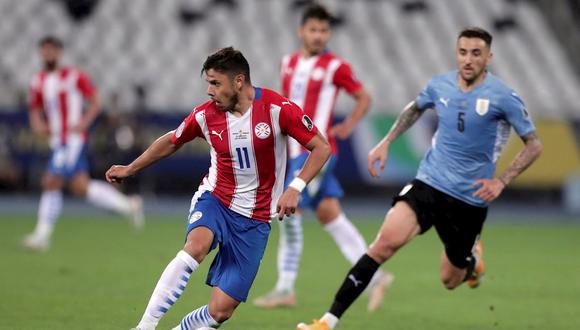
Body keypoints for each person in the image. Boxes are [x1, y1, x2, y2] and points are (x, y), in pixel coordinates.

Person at [297, 27, 543, 330]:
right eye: (463, 52)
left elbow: (534, 145)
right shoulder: (440, 85)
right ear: (457, 53)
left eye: (476, 53)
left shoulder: (503, 97)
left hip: (469, 198)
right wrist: (386, 141)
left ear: (488, 57)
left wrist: (502, 181)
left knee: (450, 280)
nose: (468, 59)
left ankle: (471, 263)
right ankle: (326, 322)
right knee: (382, 245)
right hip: (428, 183)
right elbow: (414, 109)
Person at [106, 47, 331, 330]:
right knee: (196, 247)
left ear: (239, 81)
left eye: (215, 83)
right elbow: (173, 140)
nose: (210, 91)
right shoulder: (206, 115)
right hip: (216, 199)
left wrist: (296, 187)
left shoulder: (277, 109)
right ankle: (145, 326)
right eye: (208, 83)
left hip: (255, 218)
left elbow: (321, 147)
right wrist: (130, 168)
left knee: (220, 311)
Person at [253, 3, 393, 312]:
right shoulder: (287, 62)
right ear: (301, 31)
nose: (319, 36)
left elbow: (364, 97)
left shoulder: (335, 67)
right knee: (331, 215)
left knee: (287, 214)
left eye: (324, 30)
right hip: (292, 151)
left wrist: (348, 126)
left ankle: (286, 289)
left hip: (315, 152)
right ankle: (377, 276)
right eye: (313, 29)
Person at [22, 36, 144, 252]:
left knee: (51, 180)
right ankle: (130, 206)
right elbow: (35, 109)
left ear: (59, 53)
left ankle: (42, 236)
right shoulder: (38, 80)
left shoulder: (73, 76)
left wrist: (84, 122)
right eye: (44, 51)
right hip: (57, 140)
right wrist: (38, 124)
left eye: (52, 50)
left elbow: (96, 101)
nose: (48, 54)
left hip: (73, 140)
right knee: (81, 187)